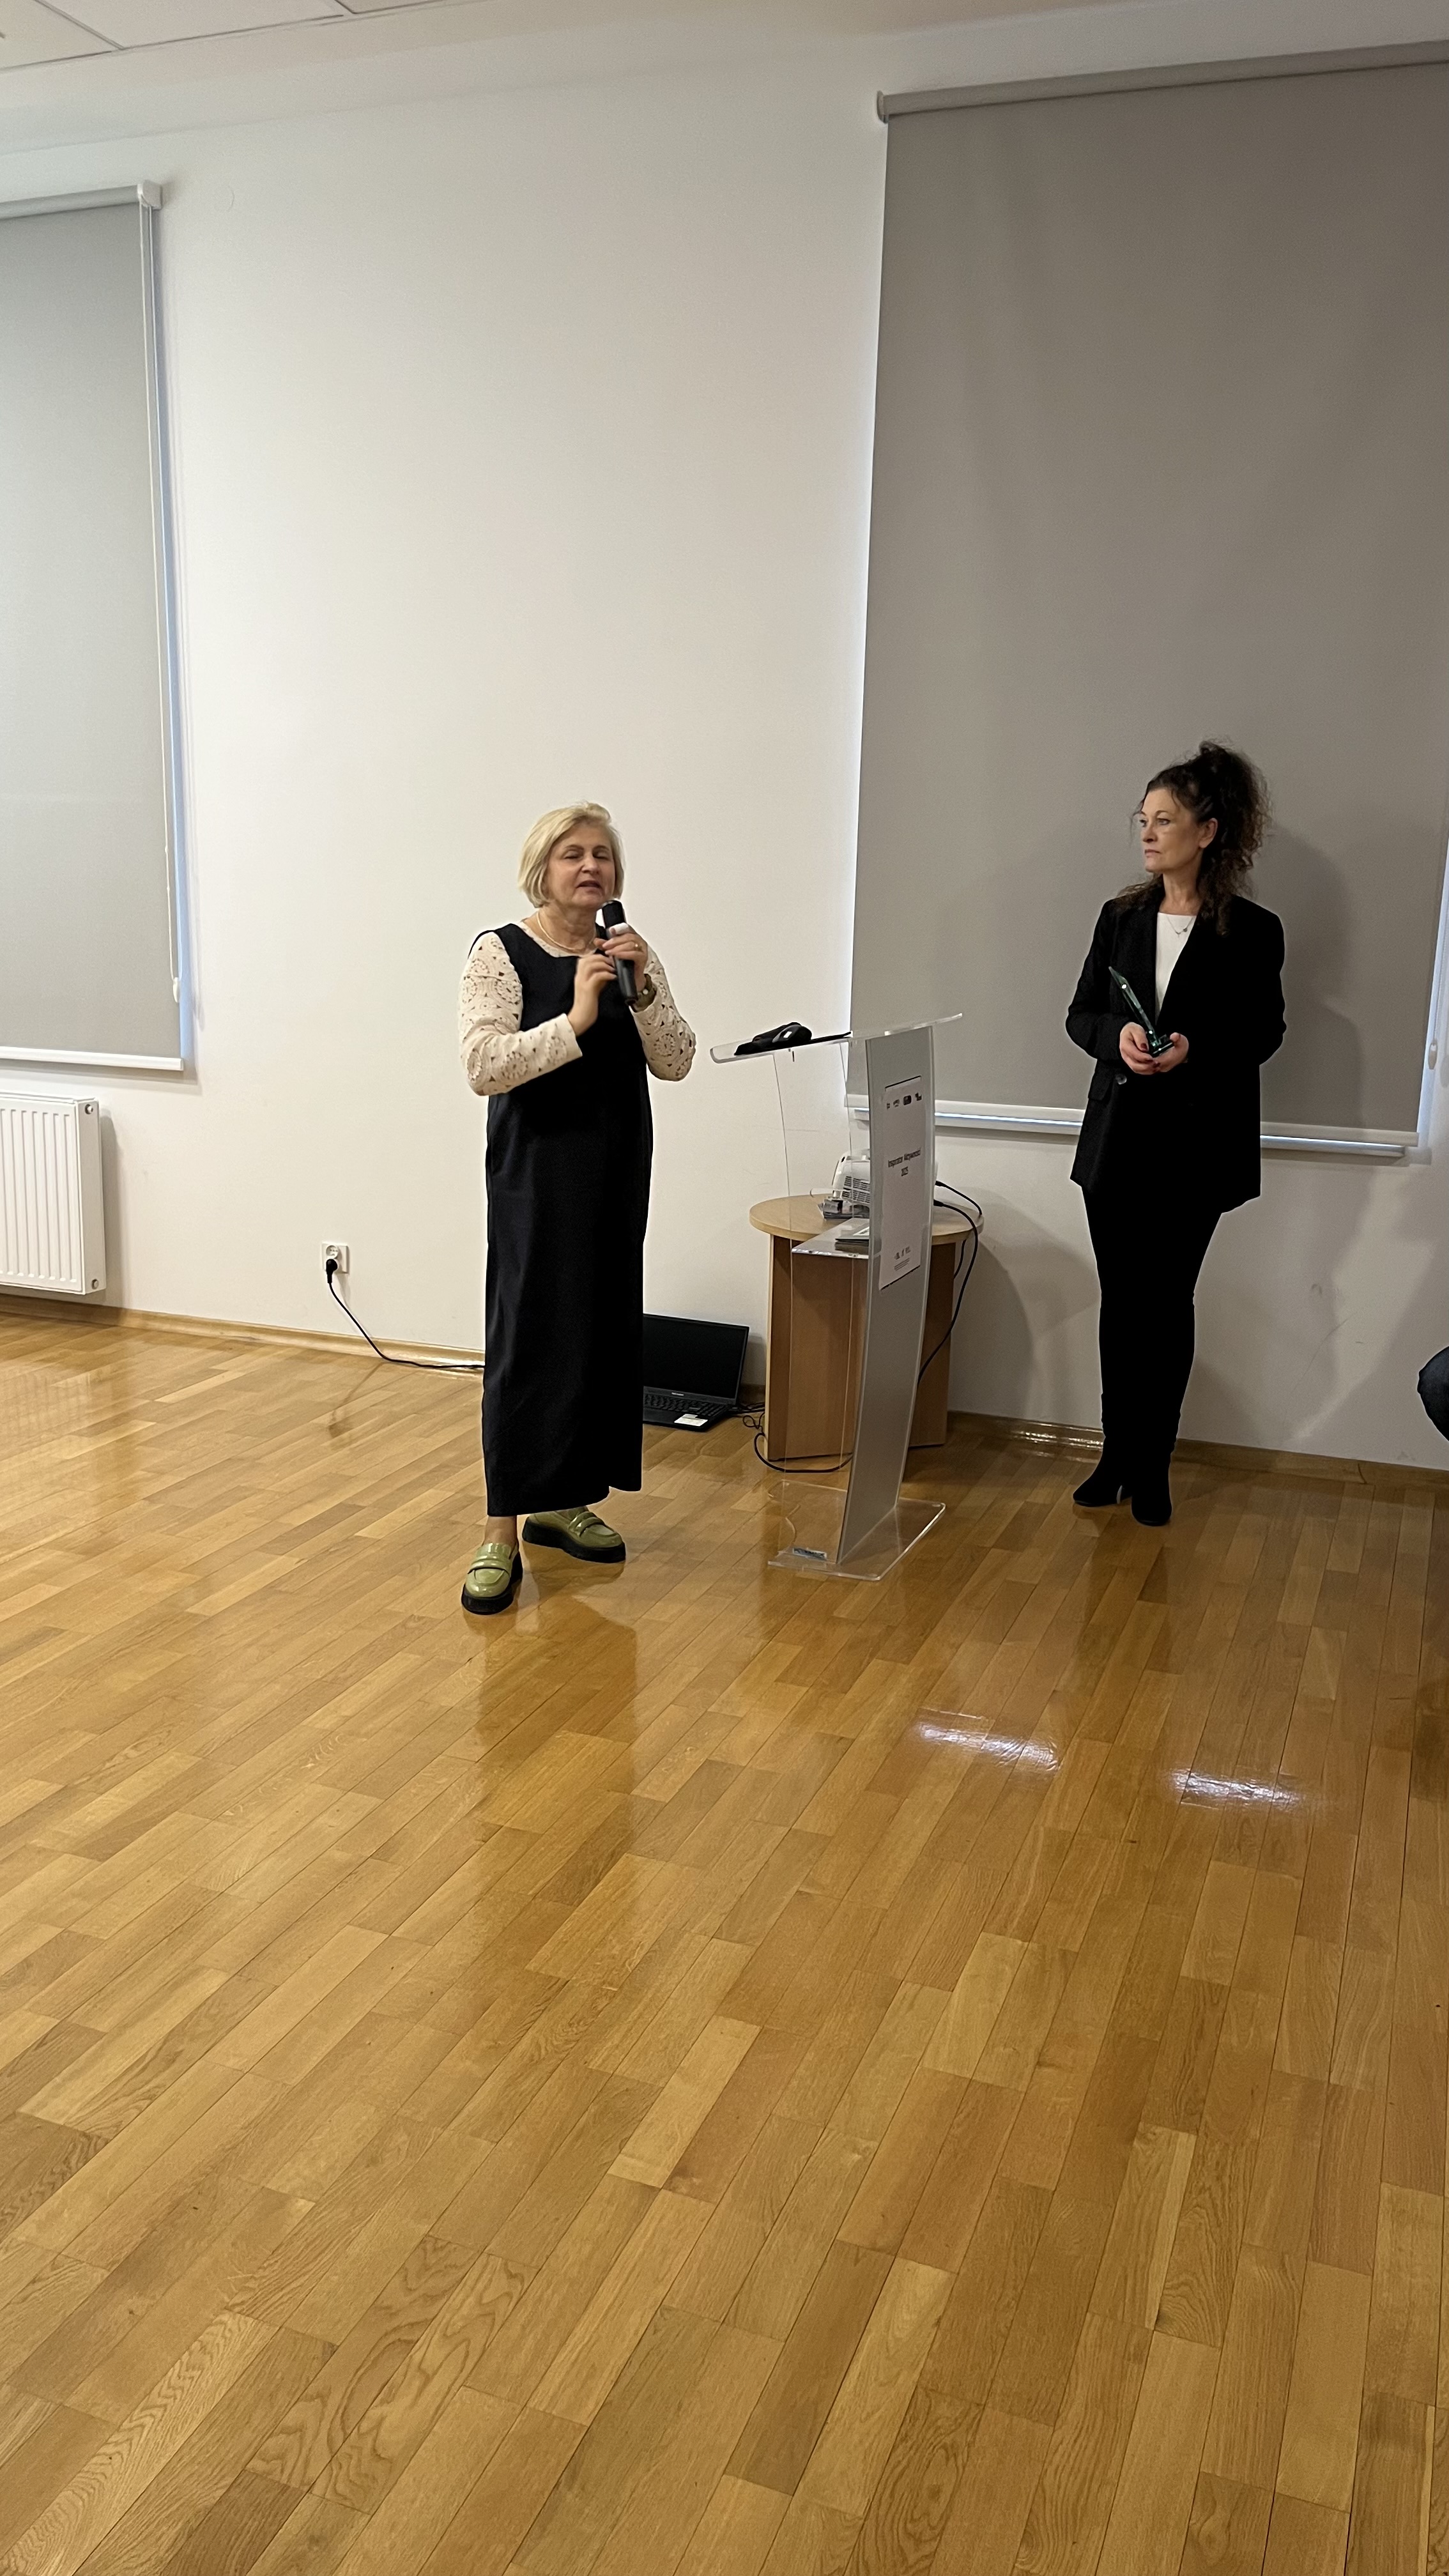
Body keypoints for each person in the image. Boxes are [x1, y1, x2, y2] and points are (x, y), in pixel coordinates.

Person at [457, 803, 694, 1613]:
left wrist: (644, 988)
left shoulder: (628, 950)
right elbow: (484, 1065)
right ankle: (500, 1529)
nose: (590, 866)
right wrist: (577, 1020)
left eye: (602, 855)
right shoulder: (501, 951)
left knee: (597, 1333)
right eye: (572, 854)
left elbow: (677, 1060)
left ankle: (563, 1502)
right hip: (537, 1176)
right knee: (528, 1338)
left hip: (616, 1173)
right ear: (543, 869)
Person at [1066, 742, 1285, 1527]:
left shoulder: (1253, 930)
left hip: (1195, 1150)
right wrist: (1117, 1036)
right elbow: (1081, 1014)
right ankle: (1114, 1454)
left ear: (1208, 832)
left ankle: (1153, 1464)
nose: (1148, 833)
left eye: (1164, 821)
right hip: (1117, 1143)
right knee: (1121, 1303)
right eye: (1144, 819)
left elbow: (1264, 1033)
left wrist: (1195, 1049)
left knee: (1166, 1306)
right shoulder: (1120, 918)